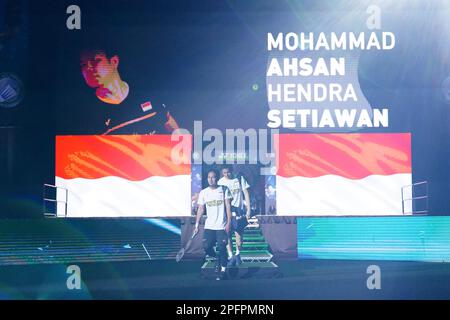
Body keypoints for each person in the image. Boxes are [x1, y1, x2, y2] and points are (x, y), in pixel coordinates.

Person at [80, 49, 179, 135]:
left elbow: (171, 125)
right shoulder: (86, 114)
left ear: (114, 61)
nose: (88, 67)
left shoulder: (146, 91)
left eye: (95, 60)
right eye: (83, 64)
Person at [193, 169, 232, 280]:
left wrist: (229, 222)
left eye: (213, 177)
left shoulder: (224, 189)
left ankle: (223, 271)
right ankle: (217, 258)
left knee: (222, 248)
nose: (211, 179)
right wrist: (196, 224)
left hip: (221, 226)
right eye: (209, 177)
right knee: (207, 247)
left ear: (217, 178)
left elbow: (228, 207)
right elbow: (200, 209)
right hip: (209, 226)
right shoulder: (203, 192)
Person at [218, 165, 251, 266]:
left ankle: (238, 253)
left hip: (239, 213)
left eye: (228, 172)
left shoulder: (240, 179)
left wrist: (248, 209)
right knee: (227, 235)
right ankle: (231, 256)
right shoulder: (220, 182)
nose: (227, 174)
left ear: (232, 171)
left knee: (239, 237)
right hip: (226, 213)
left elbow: (246, 194)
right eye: (224, 173)